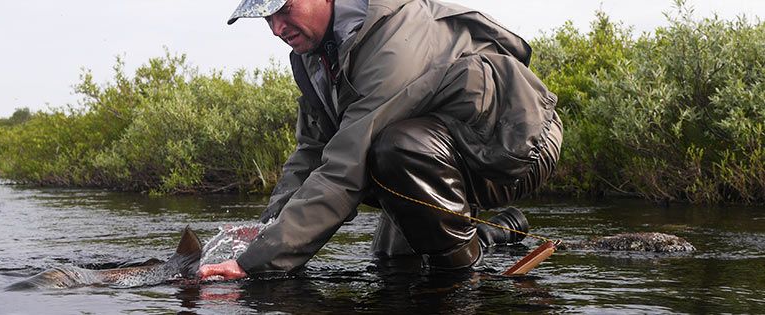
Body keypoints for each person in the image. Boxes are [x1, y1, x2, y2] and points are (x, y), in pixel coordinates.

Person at [199, 0, 562, 280]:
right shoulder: (310, 55)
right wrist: (264, 231)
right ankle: (493, 233)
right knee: (395, 262)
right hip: (431, 147)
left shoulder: (393, 39)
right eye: (265, 17)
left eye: (284, 8)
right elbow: (310, 153)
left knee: (395, 151)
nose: (276, 27)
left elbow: (345, 167)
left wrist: (253, 264)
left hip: (515, 148)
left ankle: (465, 278)